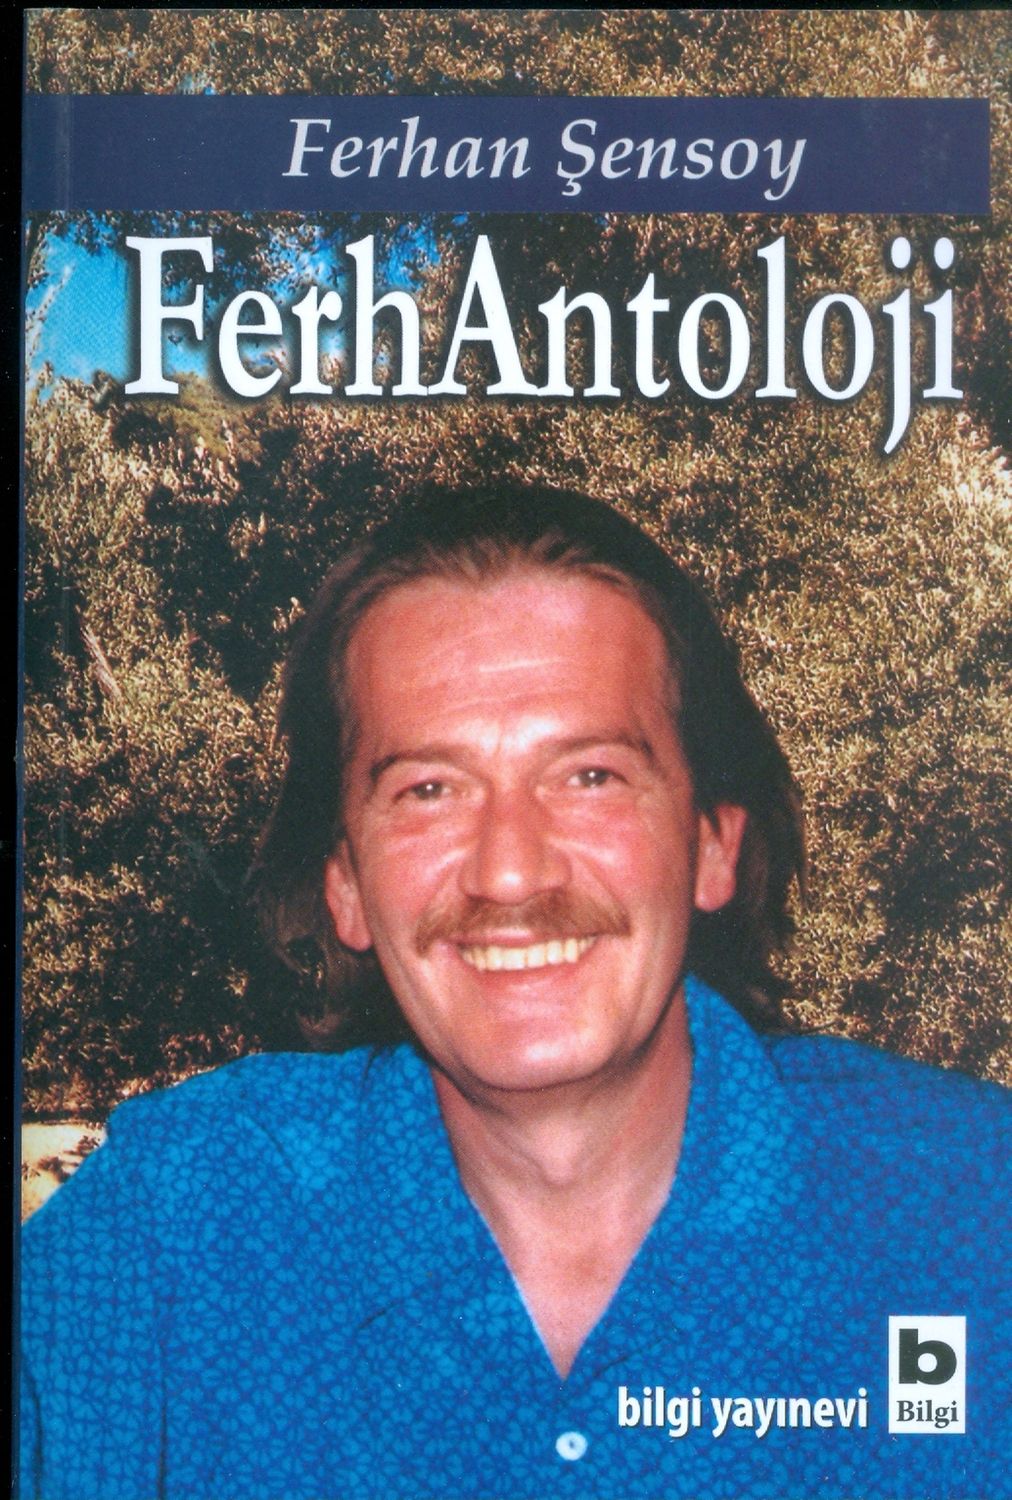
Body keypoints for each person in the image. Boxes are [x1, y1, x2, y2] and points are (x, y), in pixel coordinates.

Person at [20, 484, 1010, 1500]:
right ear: (345, 885)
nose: (509, 872)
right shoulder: (170, 1232)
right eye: (429, 790)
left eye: (588, 776)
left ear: (713, 843)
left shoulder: (973, 1210)